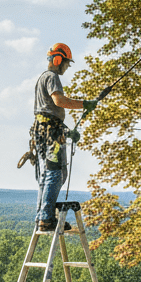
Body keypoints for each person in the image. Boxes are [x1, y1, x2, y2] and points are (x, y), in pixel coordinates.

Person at [31, 43, 96, 232]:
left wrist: (67, 132)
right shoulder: (51, 77)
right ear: (57, 60)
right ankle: (45, 218)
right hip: (50, 134)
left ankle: (42, 215)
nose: (67, 67)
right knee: (55, 174)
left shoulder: (43, 78)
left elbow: (50, 114)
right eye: (66, 63)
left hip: (49, 131)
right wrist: (85, 104)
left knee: (54, 174)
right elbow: (59, 101)